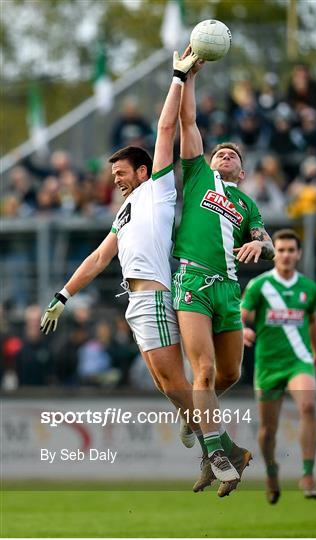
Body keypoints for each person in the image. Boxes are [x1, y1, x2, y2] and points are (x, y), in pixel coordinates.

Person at [40, 49, 200, 448]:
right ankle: (197, 421)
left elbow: (165, 131)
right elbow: (99, 258)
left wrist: (178, 78)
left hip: (155, 295)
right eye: (113, 174)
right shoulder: (126, 210)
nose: (115, 180)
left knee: (174, 380)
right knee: (165, 383)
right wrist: (63, 294)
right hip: (135, 299)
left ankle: (218, 447)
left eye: (121, 173)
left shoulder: (158, 189)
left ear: (142, 171)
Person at [172, 59, 275, 497]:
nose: (224, 154)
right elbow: (188, 119)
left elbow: (266, 239)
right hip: (193, 282)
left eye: (233, 155)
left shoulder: (247, 203)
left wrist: (262, 246)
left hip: (229, 290)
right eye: (220, 152)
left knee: (228, 374)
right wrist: (189, 76)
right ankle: (218, 454)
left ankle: (203, 428)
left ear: (243, 171)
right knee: (205, 371)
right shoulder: (198, 176)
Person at [241, 229, 316, 504]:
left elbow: (312, 321)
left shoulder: (308, 288)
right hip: (268, 364)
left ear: (298, 254)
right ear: (274, 253)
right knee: (268, 430)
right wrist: (241, 330)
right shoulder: (259, 286)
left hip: (298, 360)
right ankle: (272, 469)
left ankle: (308, 474)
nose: (286, 255)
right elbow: (239, 316)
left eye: (291, 250)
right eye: (282, 250)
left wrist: (315, 352)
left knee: (308, 406)